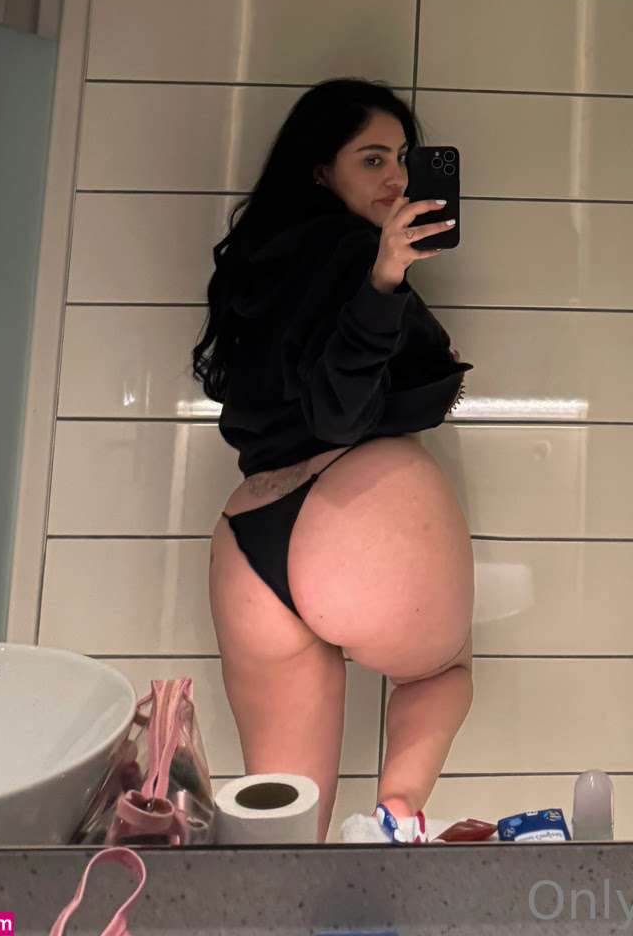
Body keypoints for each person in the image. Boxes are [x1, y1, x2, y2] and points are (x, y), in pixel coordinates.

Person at [195, 78, 475, 843]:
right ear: (321, 170)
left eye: (404, 160)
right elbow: (338, 413)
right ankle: (393, 823)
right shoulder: (357, 253)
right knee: (440, 674)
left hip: (250, 543)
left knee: (288, 830)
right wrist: (386, 280)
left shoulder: (258, 262)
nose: (396, 179)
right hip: (353, 518)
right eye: (372, 159)